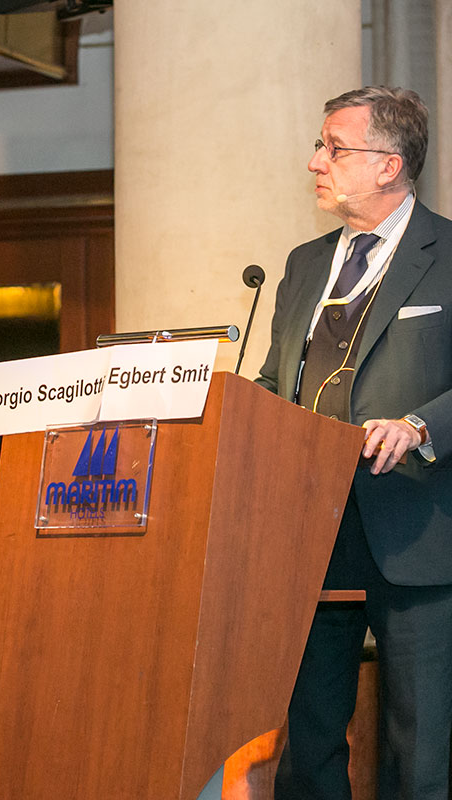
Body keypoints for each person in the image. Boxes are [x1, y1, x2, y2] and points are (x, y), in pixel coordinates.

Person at [255, 87, 452, 800]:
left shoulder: (449, 255)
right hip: (309, 531)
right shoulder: (305, 263)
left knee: (419, 754)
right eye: (321, 146)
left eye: (334, 148)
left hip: (416, 528)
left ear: (388, 165)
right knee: (307, 748)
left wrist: (420, 426)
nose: (315, 162)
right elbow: (276, 381)